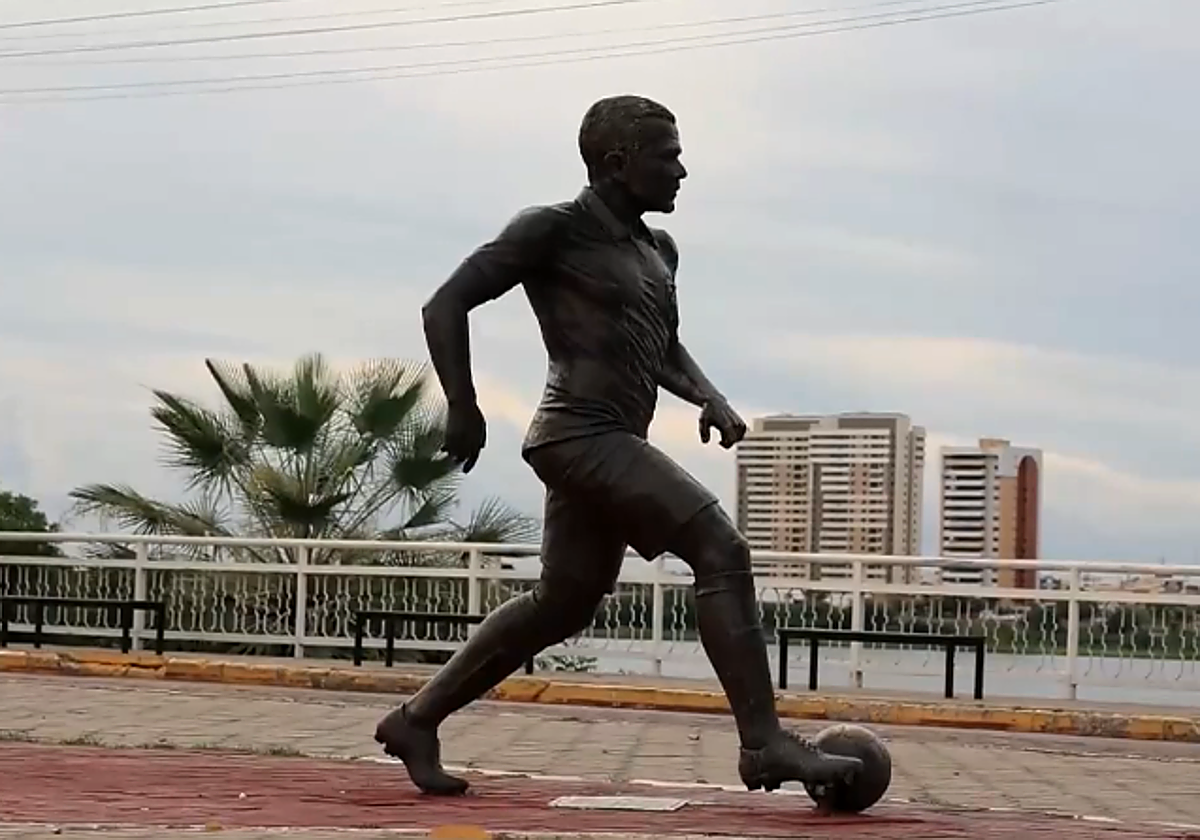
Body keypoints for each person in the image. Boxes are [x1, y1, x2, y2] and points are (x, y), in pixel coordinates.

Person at [375, 94, 863, 796]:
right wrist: (462, 402)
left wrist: (710, 396)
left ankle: (416, 720)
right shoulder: (552, 229)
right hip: (577, 433)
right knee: (721, 549)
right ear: (616, 162)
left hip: (611, 440)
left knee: (564, 602)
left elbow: (661, 346)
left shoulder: (659, 250)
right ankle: (763, 744)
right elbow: (445, 302)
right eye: (668, 157)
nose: (682, 172)